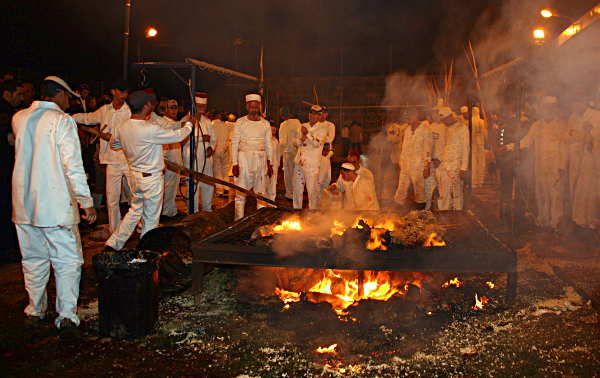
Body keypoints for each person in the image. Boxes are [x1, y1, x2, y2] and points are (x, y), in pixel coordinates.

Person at [12, 76, 97, 334]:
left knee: (33, 259)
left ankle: (34, 310)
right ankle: (67, 315)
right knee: (67, 261)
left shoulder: (19, 118)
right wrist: (86, 201)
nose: (67, 102)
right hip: (55, 205)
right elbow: (72, 165)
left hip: (24, 205)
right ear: (59, 94)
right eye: (67, 97)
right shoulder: (63, 121)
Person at [104, 91, 194, 251]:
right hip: (151, 179)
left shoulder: (121, 126)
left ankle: (113, 244)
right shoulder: (149, 129)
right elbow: (178, 136)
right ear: (145, 107)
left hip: (135, 177)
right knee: (151, 219)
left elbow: (114, 145)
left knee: (134, 212)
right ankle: (145, 253)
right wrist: (189, 125)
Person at [497, 96, 568, 229]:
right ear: (542, 109)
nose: (549, 110)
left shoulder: (562, 126)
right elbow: (525, 141)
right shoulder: (537, 125)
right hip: (540, 165)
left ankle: (556, 223)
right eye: (547, 107)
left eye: (552, 107)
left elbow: (565, 148)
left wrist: (562, 165)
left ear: (556, 109)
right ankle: (543, 220)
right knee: (541, 193)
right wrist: (508, 147)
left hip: (556, 165)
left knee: (556, 195)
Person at [72, 79, 132, 234]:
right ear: (113, 91)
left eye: (126, 92)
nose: (124, 94)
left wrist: (111, 137)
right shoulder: (105, 110)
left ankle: (137, 227)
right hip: (111, 161)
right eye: (121, 91)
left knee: (135, 196)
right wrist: (69, 117)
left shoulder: (128, 112)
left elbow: (131, 135)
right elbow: (88, 118)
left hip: (127, 160)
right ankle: (115, 231)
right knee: (112, 200)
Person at [231, 94, 273, 219]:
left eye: (256, 107)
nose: (254, 110)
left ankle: (260, 222)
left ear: (259, 107)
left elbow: (269, 144)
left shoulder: (265, 124)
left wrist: (270, 163)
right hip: (244, 157)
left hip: (261, 157)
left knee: (261, 193)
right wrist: (235, 163)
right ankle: (238, 221)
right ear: (247, 107)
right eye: (251, 107)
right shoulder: (240, 122)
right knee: (241, 192)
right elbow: (234, 143)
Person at [568, 91, 600, 230]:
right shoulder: (573, 117)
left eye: (577, 106)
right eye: (573, 107)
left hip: (590, 159)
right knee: (576, 190)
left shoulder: (596, 116)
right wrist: (574, 140)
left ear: (584, 104)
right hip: (576, 158)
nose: (575, 110)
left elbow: (597, 136)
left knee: (588, 191)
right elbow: (567, 135)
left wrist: (591, 130)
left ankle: (590, 222)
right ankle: (578, 221)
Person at [0, 79, 23, 260]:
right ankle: (7, 248)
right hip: (5, 167)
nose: (22, 98)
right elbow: (10, 139)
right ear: (7, 94)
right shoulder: (7, 112)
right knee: (6, 206)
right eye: (19, 94)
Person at [182, 92, 217, 213]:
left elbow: (213, 138)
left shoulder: (207, 121)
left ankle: (207, 209)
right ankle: (193, 211)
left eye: (203, 106)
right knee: (193, 184)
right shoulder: (186, 120)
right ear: (194, 106)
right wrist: (202, 139)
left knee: (208, 184)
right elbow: (183, 140)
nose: (202, 108)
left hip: (206, 158)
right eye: (199, 106)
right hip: (192, 156)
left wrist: (211, 147)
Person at [394, 107, 433, 210]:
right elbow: (404, 148)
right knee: (401, 189)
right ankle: (398, 213)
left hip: (418, 166)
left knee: (419, 190)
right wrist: (400, 163)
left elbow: (428, 150)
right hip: (406, 164)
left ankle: (421, 214)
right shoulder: (407, 130)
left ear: (415, 117)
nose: (407, 121)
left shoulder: (425, 130)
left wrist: (427, 167)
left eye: (408, 118)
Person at [292, 105, 328, 209]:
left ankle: (313, 212)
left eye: (315, 113)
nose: (312, 115)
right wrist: (302, 140)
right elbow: (295, 142)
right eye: (311, 112)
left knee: (312, 190)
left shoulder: (322, 130)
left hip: (312, 164)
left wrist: (307, 134)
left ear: (320, 116)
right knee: (297, 189)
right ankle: (297, 211)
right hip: (299, 161)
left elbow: (317, 143)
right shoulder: (303, 126)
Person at [156, 99, 186, 218]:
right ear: (166, 109)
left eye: (176, 108)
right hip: (169, 164)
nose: (174, 110)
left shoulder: (176, 123)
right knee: (167, 188)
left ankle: (172, 211)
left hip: (176, 163)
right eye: (172, 108)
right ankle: (164, 213)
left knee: (173, 188)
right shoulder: (164, 124)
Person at [438, 107, 470, 210]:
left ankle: (458, 214)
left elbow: (466, 148)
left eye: (445, 120)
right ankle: (444, 212)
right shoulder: (447, 129)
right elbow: (446, 146)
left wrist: (464, 168)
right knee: (444, 192)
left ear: (451, 116)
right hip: (446, 165)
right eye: (442, 120)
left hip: (456, 166)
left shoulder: (462, 128)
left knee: (456, 193)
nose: (444, 122)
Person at [426, 106, 447, 210]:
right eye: (433, 114)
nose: (434, 116)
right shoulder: (431, 126)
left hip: (441, 163)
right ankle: (427, 209)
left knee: (442, 188)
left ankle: (443, 210)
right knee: (428, 187)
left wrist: (440, 158)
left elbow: (448, 146)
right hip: (431, 162)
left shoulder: (446, 128)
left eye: (437, 113)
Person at [278, 106, 301, 201]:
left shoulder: (284, 125)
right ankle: (297, 193)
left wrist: (278, 154)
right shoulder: (297, 122)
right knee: (297, 174)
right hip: (297, 151)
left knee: (288, 174)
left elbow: (283, 142)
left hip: (288, 152)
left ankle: (289, 195)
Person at [212, 111, 234, 197]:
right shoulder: (227, 124)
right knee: (225, 168)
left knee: (217, 169)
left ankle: (219, 189)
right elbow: (236, 125)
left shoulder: (212, 124)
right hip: (225, 148)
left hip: (216, 147)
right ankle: (226, 187)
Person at [471, 107, 488, 188]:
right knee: (481, 163)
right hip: (481, 144)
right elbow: (485, 134)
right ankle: (481, 181)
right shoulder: (482, 121)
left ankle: (474, 181)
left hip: (473, 144)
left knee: (474, 162)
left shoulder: (471, 121)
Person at [266, 123, 280, 203]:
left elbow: (278, 153)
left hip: (274, 165)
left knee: (273, 183)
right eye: (270, 130)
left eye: (274, 130)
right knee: (265, 183)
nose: (272, 132)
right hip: (266, 165)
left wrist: (277, 164)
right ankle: (264, 201)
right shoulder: (264, 140)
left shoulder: (275, 141)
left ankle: (272, 200)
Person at [317, 142, 333, 208]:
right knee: (318, 197)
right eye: (324, 150)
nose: (326, 152)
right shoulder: (319, 158)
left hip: (325, 182)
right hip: (319, 182)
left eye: (327, 150)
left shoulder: (327, 158)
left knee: (325, 197)